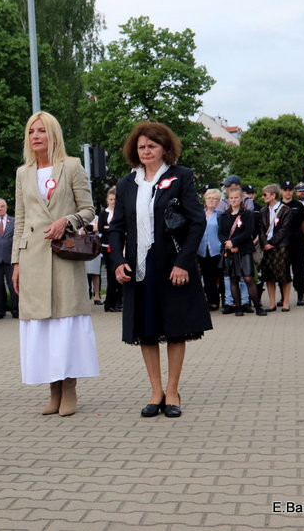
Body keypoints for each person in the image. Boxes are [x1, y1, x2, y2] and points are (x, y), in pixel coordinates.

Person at [109, 121, 212, 419]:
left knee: (175, 329)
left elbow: (197, 223)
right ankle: (155, 392)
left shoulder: (181, 177)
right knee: (147, 331)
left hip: (171, 266)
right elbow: (115, 229)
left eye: (152, 146)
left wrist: (184, 263)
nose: (146, 151)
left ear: (165, 149)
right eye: (141, 146)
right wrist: (117, 261)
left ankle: (173, 390)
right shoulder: (127, 184)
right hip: (138, 267)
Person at [11, 111, 100, 417]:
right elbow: (20, 219)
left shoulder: (72, 166)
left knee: (66, 323)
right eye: (31, 131)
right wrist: (16, 262)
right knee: (43, 327)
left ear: (54, 135)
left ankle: (70, 389)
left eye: (42, 131)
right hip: (33, 257)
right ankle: (53, 390)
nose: (36, 136)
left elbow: (89, 209)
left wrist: (67, 220)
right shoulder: (23, 173)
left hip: (65, 255)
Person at [218, 187, 266, 316]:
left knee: (248, 278)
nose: (233, 200)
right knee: (233, 279)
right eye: (231, 198)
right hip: (230, 251)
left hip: (244, 250)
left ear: (241, 199)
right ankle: (238, 307)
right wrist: (227, 244)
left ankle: (257, 307)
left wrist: (234, 242)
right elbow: (221, 234)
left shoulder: (247, 214)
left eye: (236, 198)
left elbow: (248, 231)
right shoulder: (223, 215)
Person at [258, 184, 293, 312]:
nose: (263, 197)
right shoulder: (262, 211)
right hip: (266, 247)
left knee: (284, 275)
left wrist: (272, 242)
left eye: (265, 194)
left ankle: (286, 302)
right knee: (268, 276)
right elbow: (261, 229)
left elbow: (284, 229)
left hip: (281, 247)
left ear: (273, 195)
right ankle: (272, 303)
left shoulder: (285, 210)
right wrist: (264, 243)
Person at [279, 180, 304, 306]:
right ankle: (283, 297)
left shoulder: (299, 205)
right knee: (282, 270)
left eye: (290, 189)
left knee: (299, 270)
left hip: (297, 242)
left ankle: (300, 295)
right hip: (282, 244)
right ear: (281, 191)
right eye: (285, 190)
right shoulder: (277, 206)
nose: (287, 192)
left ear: (293, 191)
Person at [197, 189, 224, 310]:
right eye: (209, 198)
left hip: (217, 250)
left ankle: (226, 301)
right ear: (205, 200)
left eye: (215, 198)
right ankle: (212, 301)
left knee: (222, 276)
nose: (212, 200)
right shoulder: (199, 214)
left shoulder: (221, 215)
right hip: (202, 250)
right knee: (208, 278)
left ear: (218, 201)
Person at [98, 187, 122, 312]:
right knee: (111, 275)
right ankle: (109, 303)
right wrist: (111, 228)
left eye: (115, 199)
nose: (113, 201)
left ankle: (119, 301)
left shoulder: (119, 212)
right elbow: (101, 228)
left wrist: (110, 227)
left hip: (118, 247)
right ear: (107, 200)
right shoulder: (104, 213)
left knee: (119, 275)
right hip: (107, 247)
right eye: (111, 199)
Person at [84, 214, 103, 305]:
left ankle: (97, 296)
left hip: (94, 247)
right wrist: (92, 228)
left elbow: (100, 227)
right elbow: (80, 231)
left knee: (95, 272)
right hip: (82, 246)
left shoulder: (96, 217)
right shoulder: (79, 216)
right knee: (84, 272)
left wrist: (87, 228)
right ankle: (85, 295)